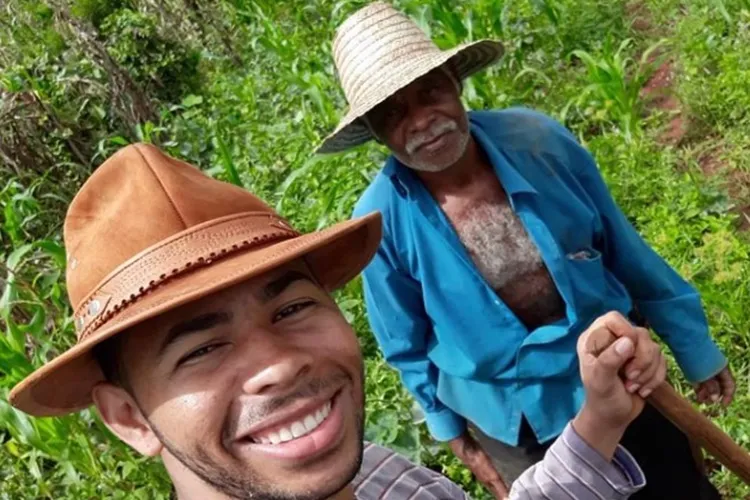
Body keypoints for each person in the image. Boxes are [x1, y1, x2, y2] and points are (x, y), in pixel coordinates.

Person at [8, 143, 662, 499]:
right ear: (128, 417)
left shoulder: (379, 477)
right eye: (202, 349)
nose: (282, 363)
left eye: (291, 308)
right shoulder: (392, 203)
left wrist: (599, 419)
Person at [316, 2, 733, 499]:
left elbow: (625, 249)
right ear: (376, 132)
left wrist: (694, 348)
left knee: (679, 488)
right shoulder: (382, 222)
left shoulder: (538, 142)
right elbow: (404, 345)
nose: (422, 121)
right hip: (514, 418)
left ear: (456, 82)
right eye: (393, 113)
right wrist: (456, 437)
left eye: (430, 92)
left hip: (618, 369)